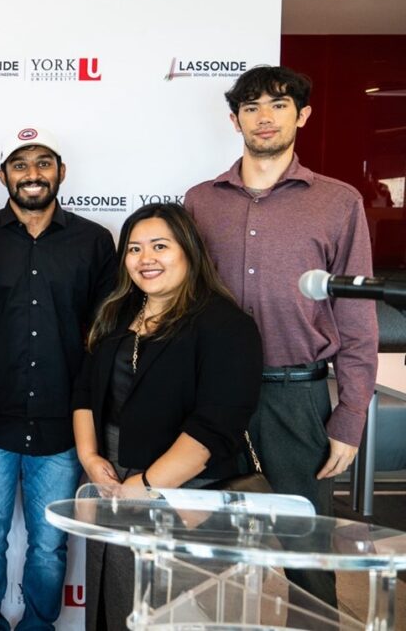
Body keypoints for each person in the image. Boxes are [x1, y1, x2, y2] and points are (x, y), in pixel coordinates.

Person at [184, 65, 377, 607]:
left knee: (306, 549)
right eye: (251, 107)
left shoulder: (338, 203)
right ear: (234, 120)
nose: (264, 117)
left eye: (278, 104)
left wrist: (351, 414)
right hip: (212, 394)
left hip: (298, 397)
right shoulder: (200, 200)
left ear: (303, 115)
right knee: (207, 547)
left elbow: (357, 318)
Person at [72, 202, 262, 630]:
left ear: (189, 251)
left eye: (160, 246)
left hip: (184, 494)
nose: (146, 259)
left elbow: (214, 427)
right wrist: (89, 458)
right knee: (113, 607)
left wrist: (145, 485)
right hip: (112, 484)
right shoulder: (116, 314)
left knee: (167, 614)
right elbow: (84, 390)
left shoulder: (225, 325)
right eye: (134, 249)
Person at [0, 128, 115, 630]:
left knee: (49, 541)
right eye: (21, 164)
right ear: (3, 174)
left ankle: (37, 626)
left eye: (44, 162)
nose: (33, 174)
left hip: (63, 421)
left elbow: (105, 333)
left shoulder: (94, 241)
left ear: (61, 172)